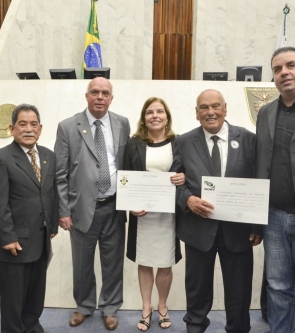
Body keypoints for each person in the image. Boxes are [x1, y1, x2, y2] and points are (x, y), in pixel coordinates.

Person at [174, 89, 262, 333]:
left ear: (225, 108)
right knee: (197, 288)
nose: (210, 112)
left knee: (239, 290)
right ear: (196, 113)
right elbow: (173, 182)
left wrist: (257, 226)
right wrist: (188, 199)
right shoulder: (182, 141)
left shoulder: (248, 139)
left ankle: (238, 328)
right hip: (198, 230)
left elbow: (258, 181)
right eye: (204, 107)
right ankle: (195, 327)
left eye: (215, 106)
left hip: (239, 231)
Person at [55, 77, 130, 330]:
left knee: (113, 262)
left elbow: (127, 164)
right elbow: (60, 174)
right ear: (86, 96)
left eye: (105, 93)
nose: (100, 97)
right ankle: (84, 305)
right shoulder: (67, 127)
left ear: (111, 98)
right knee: (82, 263)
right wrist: (63, 210)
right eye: (95, 92)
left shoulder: (122, 123)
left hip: (114, 206)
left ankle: (110, 307)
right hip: (81, 209)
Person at [0, 104, 58, 333]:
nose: (29, 129)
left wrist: (52, 224)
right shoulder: (0, 159)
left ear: (40, 128)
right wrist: (7, 237)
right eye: (22, 124)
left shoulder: (48, 155)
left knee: (36, 295)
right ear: (12, 128)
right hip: (15, 242)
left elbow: (51, 192)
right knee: (13, 300)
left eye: (33, 124)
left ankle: (32, 327)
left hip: (41, 238)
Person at [124, 97, 184, 331]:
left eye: (160, 111)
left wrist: (185, 177)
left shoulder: (178, 143)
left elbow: (188, 169)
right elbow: (125, 176)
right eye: (149, 112)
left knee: (166, 263)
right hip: (143, 215)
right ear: (144, 118)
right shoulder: (134, 144)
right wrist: (130, 205)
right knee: (145, 261)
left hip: (169, 216)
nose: (155, 115)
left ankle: (163, 306)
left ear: (167, 116)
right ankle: (146, 308)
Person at [256, 46, 295, 332]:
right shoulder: (266, 112)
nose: (285, 72)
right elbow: (261, 163)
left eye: (291, 65)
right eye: (278, 69)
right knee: (278, 286)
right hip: (275, 216)